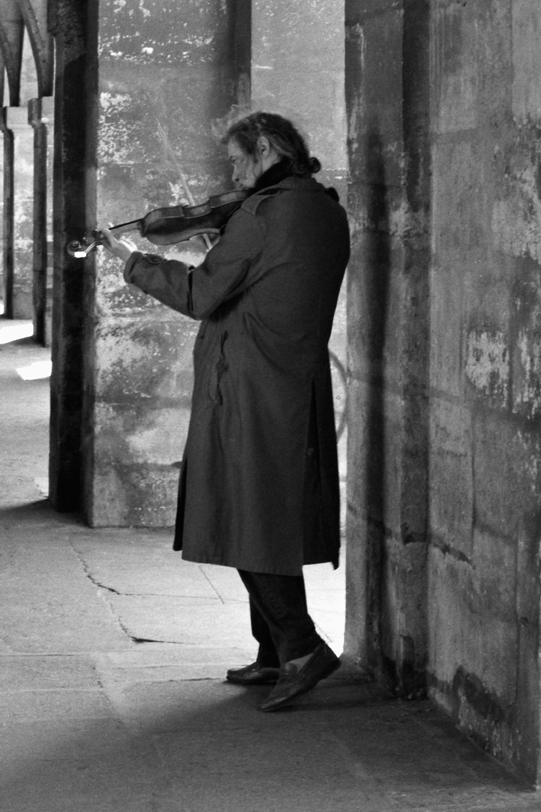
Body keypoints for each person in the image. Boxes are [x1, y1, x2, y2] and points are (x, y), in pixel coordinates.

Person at [103, 110, 350, 712]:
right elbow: (267, 276)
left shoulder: (263, 215)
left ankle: (300, 648)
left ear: (265, 148)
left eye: (239, 161)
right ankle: (271, 652)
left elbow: (200, 293)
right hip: (292, 378)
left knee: (244, 512)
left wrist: (131, 259)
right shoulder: (322, 208)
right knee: (261, 509)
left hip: (247, 383)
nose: (233, 176)